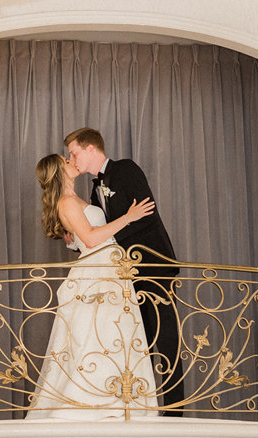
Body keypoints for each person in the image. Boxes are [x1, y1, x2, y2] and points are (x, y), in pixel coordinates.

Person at [25, 154, 160, 420]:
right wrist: (128, 218)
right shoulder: (66, 202)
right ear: (58, 171)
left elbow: (82, 237)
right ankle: (91, 402)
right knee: (95, 334)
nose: (72, 161)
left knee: (116, 331)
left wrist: (74, 239)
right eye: (67, 160)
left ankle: (122, 400)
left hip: (110, 268)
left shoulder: (77, 200)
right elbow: (91, 238)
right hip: (97, 270)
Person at [64, 127, 184, 414]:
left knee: (165, 341)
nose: (72, 159)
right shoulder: (94, 189)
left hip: (153, 268)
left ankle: (176, 411)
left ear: (91, 148)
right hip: (124, 277)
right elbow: (97, 231)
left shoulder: (125, 169)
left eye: (74, 152)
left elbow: (146, 215)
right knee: (134, 343)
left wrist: (113, 234)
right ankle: (139, 408)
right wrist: (77, 240)